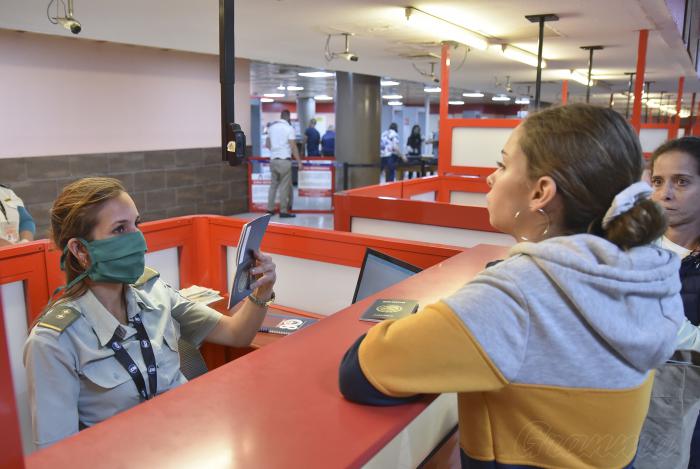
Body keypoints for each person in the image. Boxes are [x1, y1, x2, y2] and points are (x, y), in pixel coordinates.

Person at [339, 104, 683, 468]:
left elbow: (361, 370)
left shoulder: (518, 296)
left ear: (541, 193)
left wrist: (475, 306)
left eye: (502, 165)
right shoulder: (647, 275)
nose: (490, 178)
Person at [23, 177, 277, 448]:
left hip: (192, 441)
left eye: (137, 224)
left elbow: (237, 334)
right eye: (120, 229)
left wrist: (261, 292)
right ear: (80, 250)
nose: (139, 240)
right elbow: (57, 456)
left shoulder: (155, 292)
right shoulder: (53, 342)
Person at [649, 136, 700, 466]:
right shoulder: (629, 248)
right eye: (657, 181)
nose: (665, 194)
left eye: (681, 181)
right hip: (619, 406)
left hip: (683, 418)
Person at [266, 109, 301, 218]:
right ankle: (283, 211)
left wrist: (275, 150)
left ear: (281, 116)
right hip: (284, 160)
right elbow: (293, 146)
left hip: (273, 160)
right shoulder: (289, 128)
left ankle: (270, 209)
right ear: (288, 117)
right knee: (284, 187)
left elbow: (267, 144)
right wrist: (299, 161)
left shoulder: (271, 127)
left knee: (273, 186)